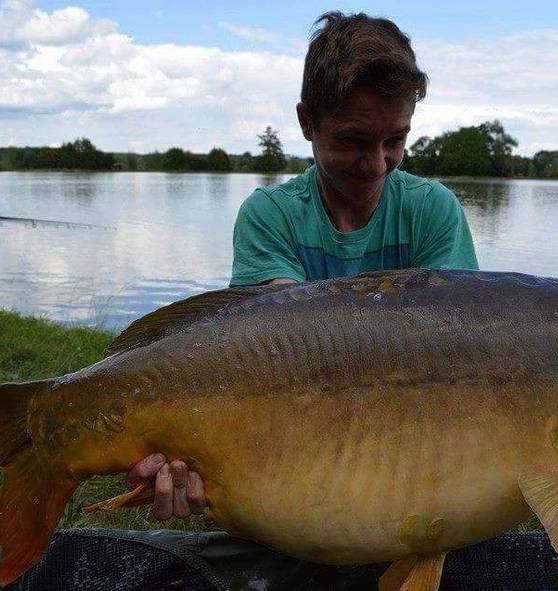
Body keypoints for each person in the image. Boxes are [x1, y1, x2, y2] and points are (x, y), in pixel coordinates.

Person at [125, 11, 479, 522]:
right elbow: (279, 346)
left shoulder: (433, 210)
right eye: (353, 142)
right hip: (293, 429)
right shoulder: (270, 214)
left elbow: (454, 348)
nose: (376, 163)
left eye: (395, 140)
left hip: (403, 438)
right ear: (307, 123)